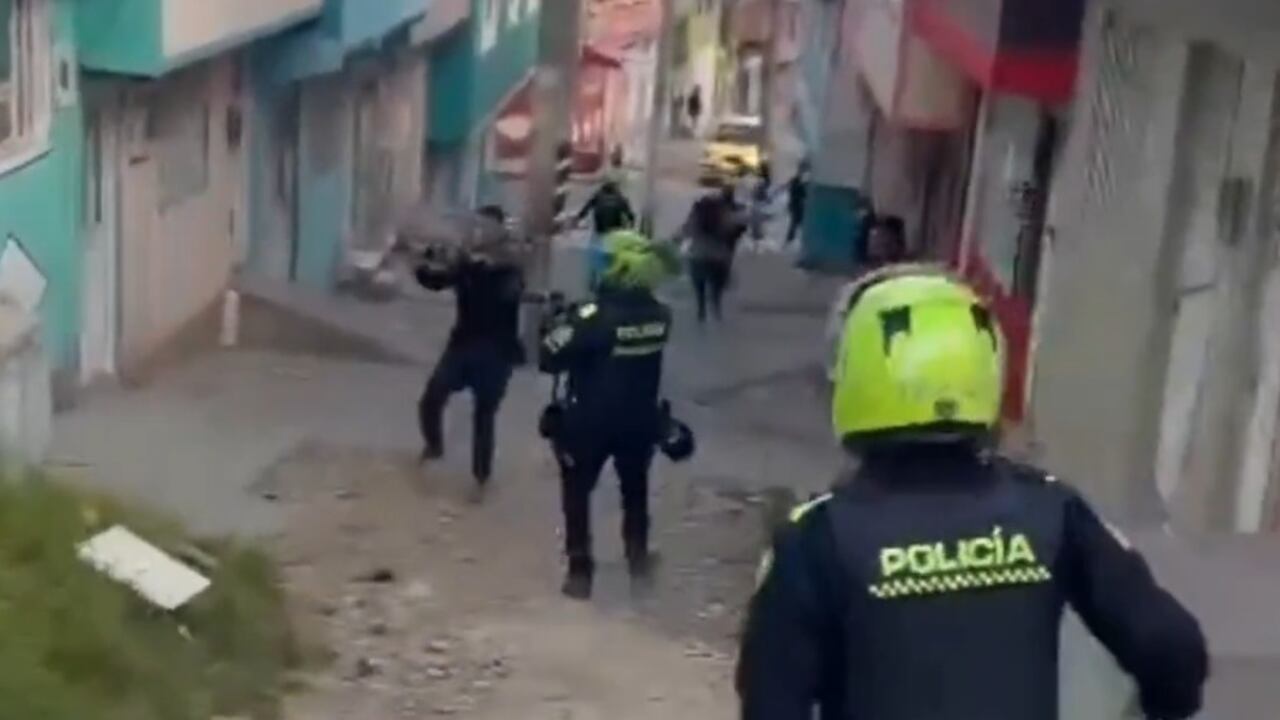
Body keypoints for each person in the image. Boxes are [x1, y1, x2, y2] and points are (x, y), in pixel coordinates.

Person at [737, 268, 1209, 720]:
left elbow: (771, 702)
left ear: (855, 377)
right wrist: (1169, 704)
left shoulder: (815, 539)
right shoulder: (1051, 510)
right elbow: (1172, 651)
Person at [539, 230, 681, 600]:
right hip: (640, 423)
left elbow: (549, 358)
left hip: (589, 424)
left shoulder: (593, 317)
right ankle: (637, 559)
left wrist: (554, 321)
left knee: (576, 493)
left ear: (617, 267)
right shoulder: (660, 315)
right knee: (634, 491)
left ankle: (580, 570)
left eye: (602, 260)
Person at [416, 205, 525, 501]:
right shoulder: (465, 260)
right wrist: (426, 263)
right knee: (432, 397)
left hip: (497, 350)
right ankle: (434, 446)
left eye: (488, 227)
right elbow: (435, 282)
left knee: (484, 414)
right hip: (463, 344)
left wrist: (483, 266)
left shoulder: (510, 262)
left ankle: (481, 477)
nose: (481, 231)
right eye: (479, 226)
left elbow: (509, 293)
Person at [683, 184, 744, 324]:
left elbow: (686, 231)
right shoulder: (722, 216)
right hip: (718, 257)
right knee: (716, 287)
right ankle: (716, 309)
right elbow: (734, 229)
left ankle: (701, 309)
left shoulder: (696, 217)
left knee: (699, 285)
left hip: (698, 255)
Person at [575, 180, 636, 290]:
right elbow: (630, 216)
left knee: (596, 254)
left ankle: (593, 280)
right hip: (615, 232)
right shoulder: (620, 199)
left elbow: (585, 209)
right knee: (613, 256)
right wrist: (631, 227)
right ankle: (611, 279)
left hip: (600, 230)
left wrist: (577, 220)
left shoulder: (598, 197)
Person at [747, 162, 774, 250]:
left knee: (757, 223)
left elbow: (758, 192)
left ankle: (757, 242)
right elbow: (762, 193)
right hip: (760, 203)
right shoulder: (764, 181)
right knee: (758, 224)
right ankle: (757, 242)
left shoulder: (760, 181)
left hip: (758, 203)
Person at [785, 160, 810, 245]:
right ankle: (790, 241)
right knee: (796, 223)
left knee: (797, 224)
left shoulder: (799, 180)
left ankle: (790, 241)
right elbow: (798, 194)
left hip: (798, 206)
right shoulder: (797, 181)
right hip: (796, 206)